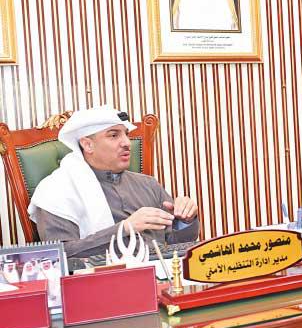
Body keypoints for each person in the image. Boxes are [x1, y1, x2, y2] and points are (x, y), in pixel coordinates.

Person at [29, 105, 200, 258]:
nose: (127, 143)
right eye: (113, 135)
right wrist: (124, 229)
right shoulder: (55, 191)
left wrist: (185, 220)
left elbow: (176, 245)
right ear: (88, 145)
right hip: (101, 280)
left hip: (163, 274)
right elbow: (60, 254)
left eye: (126, 134)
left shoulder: (148, 184)